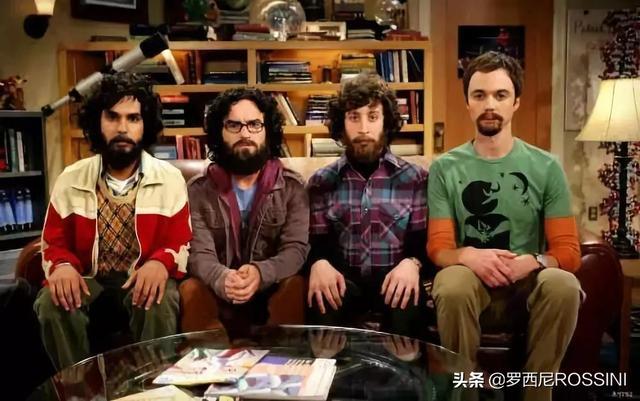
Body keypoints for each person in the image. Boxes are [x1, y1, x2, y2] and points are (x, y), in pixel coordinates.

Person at [427, 51, 582, 400]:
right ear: (467, 103)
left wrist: (535, 261)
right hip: (471, 287)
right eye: (479, 95)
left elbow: (568, 252)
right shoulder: (444, 168)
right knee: (451, 282)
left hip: (526, 287)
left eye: (500, 95)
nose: (490, 105)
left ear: (516, 102)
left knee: (564, 284)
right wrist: (467, 255)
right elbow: (438, 247)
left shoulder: (546, 167)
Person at [34, 72, 191, 369]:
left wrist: (160, 263)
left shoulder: (170, 178)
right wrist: (62, 266)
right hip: (88, 279)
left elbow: (181, 241)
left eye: (133, 118)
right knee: (51, 302)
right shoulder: (71, 178)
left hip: (141, 276)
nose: (122, 128)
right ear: (97, 122)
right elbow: (52, 242)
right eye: (113, 117)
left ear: (146, 125)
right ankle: (77, 387)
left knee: (161, 299)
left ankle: (153, 386)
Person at [306, 72, 429, 337]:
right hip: (344, 282)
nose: (363, 128)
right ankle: (325, 363)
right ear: (342, 124)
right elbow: (317, 242)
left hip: (395, 278)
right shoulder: (321, 182)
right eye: (354, 117)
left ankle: (409, 364)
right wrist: (319, 263)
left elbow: (421, 242)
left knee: (408, 303)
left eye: (372, 117)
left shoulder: (415, 179)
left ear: (386, 122)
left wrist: (413, 263)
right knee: (322, 300)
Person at [188, 88, 309, 336]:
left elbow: (295, 249)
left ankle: (282, 357)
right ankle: (209, 359)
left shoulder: (292, 187)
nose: (245, 134)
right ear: (219, 132)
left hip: (271, 291)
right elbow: (199, 253)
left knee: (295, 284)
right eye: (234, 125)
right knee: (190, 288)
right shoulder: (198, 190)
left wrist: (260, 273)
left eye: (254, 124)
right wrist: (222, 277)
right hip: (217, 293)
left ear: (268, 130)